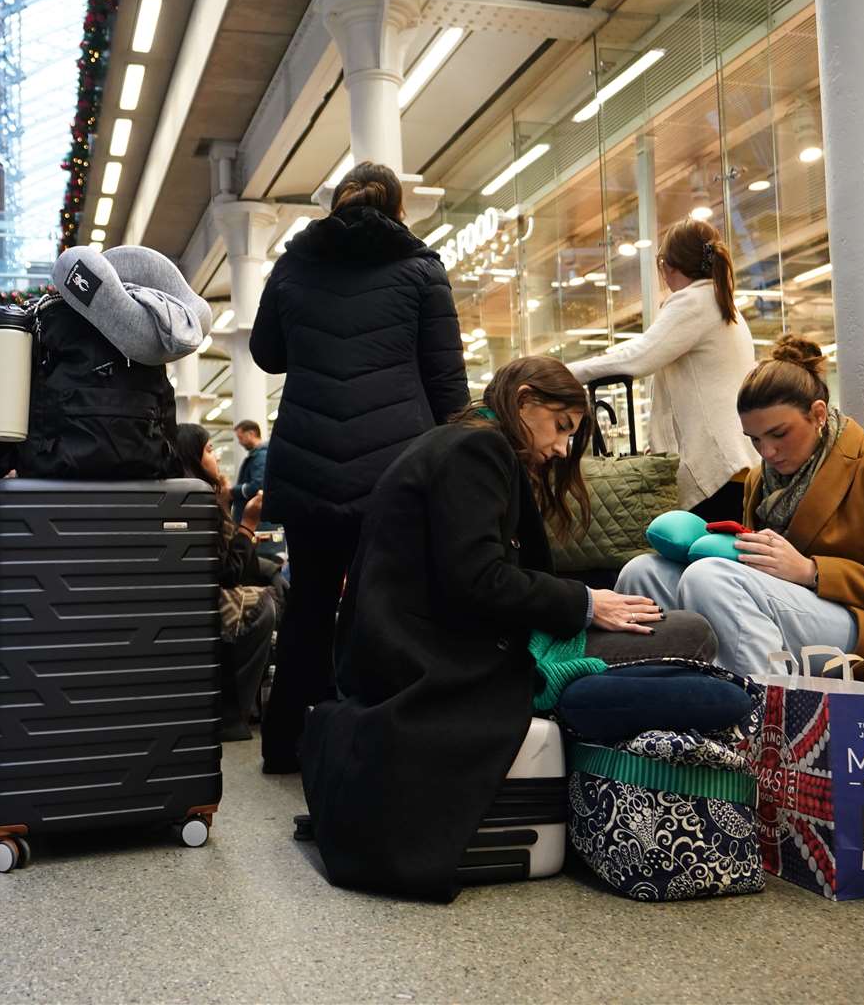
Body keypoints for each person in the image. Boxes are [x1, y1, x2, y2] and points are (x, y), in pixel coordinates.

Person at [301, 356, 715, 900]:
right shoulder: (480, 450)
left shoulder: (448, 443)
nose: (564, 448)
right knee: (691, 633)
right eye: (561, 426)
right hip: (451, 659)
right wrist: (586, 604)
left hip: (403, 652)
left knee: (659, 627)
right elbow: (478, 580)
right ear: (523, 402)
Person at [614, 336, 864, 740]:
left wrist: (812, 571)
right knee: (644, 571)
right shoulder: (760, 481)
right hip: (789, 609)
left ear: (818, 414)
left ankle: (765, 736)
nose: (767, 451)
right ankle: (660, 726)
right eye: (754, 440)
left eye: (779, 434)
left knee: (711, 577)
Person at [249, 162, 468, 772]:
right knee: (388, 603)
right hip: (394, 468)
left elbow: (266, 355)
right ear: (400, 208)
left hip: (309, 462)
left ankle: (288, 744)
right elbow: (446, 380)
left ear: (335, 201)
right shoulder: (422, 268)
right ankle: (374, 737)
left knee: (311, 604)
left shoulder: (294, 263)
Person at [568, 219, 758, 522]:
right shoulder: (720, 300)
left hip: (716, 467)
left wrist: (564, 373)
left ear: (667, 266)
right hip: (735, 464)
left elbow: (639, 357)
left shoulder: (694, 301)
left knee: (703, 562)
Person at [174, 423, 280, 742]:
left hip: (189, 595)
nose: (217, 455)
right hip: (203, 601)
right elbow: (229, 571)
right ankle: (232, 713)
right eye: (209, 449)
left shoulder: (193, 495)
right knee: (265, 606)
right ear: (191, 456)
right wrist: (248, 523)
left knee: (276, 587)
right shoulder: (198, 500)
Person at [231, 420, 268, 523]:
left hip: (254, 520)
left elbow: (257, 486)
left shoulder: (261, 456)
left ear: (251, 434)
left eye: (241, 438)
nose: (240, 442)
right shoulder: (256, 455)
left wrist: (232, 491)